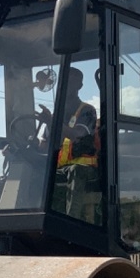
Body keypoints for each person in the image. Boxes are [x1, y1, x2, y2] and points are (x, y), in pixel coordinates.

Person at [41, 67, 101, 222]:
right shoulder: (55, 116)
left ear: (79, 86)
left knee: (76, 170)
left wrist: (52, 122)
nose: (65, 85)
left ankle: (71, 222)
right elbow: (44, 145)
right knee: (35, 171)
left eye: (70, 82)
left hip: (86, 168)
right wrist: (26, 144)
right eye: (63, 82)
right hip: (61, 168)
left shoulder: (87, 111)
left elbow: (78, 135)